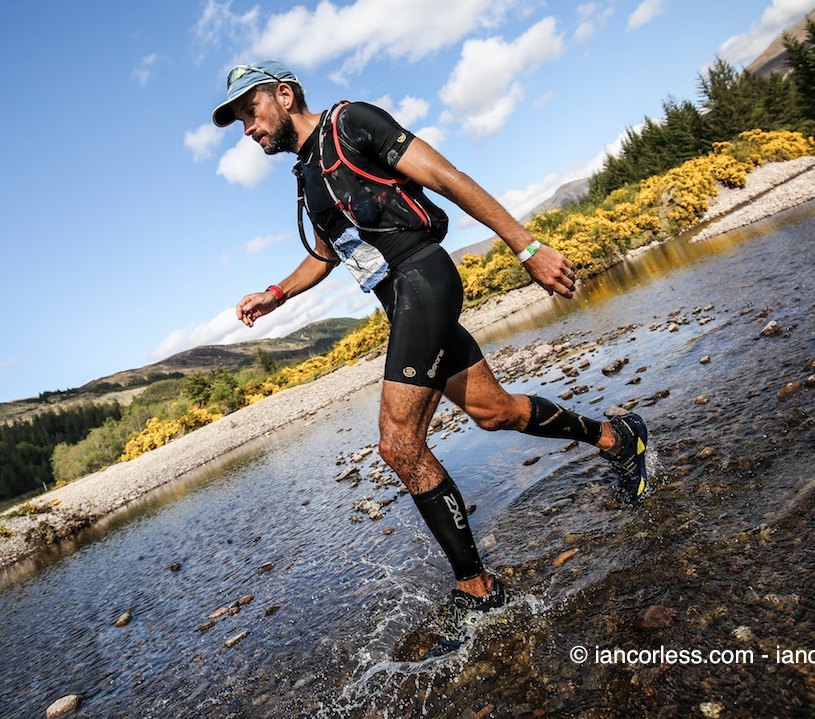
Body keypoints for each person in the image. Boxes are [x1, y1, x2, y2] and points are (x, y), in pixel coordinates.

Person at [213, 61, 650, 657]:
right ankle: (617, 439)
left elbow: (447, 177)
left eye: (248, 111)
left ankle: (477, 590)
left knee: (398, 444)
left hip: (424, 278)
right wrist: (275, 294)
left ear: (284, 95)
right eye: (237, 119)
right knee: (495, 412)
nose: (245, 127)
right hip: (401, 301)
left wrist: (527, 246)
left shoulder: (352, 124)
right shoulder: (306, 176)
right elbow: (325, 255)